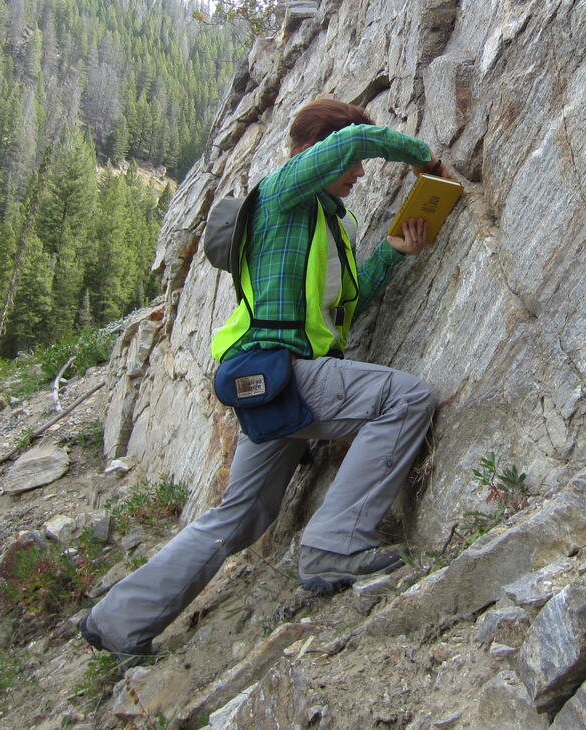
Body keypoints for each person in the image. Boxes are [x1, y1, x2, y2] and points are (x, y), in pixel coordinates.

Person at [80, 98, 447, 657]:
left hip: (270, 381)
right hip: (281, 368)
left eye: (357, 164)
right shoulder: (283, 190)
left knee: (242, 514)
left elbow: (345, 310)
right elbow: (354, 142)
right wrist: (426, 161)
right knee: (405, 399)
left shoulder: (326, 222)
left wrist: (394, 254)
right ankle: (334, 547)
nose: (359, 171)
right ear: (317, 149)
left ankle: (116, 621)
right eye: (349, 163)